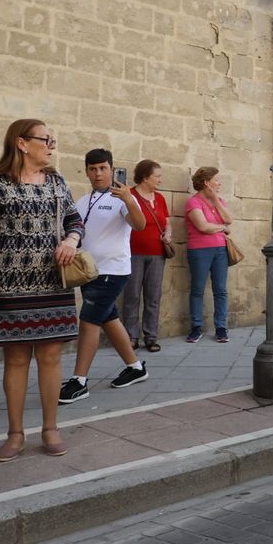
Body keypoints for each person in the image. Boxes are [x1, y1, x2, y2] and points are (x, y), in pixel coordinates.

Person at [0, 119, 83, 461]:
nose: (52, 145)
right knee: (16, 359)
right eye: (46, 139)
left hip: (53, 284)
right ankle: (15, 433)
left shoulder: (56, 181)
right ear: (22, 143)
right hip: (10, 287)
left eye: (54, 139)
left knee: (50, 357)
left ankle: (51, 428)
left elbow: (75, 220)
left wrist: (71, 239)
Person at [59, 149, 149, 405]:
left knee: (88, 321)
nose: (98, 173)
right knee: (108, 318)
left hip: (112, 271)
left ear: (112, 169)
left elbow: (140, 225)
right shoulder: (83, 200)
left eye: (102, 168)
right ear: (86, 171)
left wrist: (130, 199)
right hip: (88, 271)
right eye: (92, 169)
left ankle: (79, 381)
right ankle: (135, 367)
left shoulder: (122, 199)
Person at [121, 159, 171, 353]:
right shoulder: (130, 195)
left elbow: (167, 222)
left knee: (153, 296)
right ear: (144, 177)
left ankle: (151, 336)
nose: (160, 179)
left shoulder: (159, 198)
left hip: (157, 254)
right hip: (132, 253)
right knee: (132, 296)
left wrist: (168, 233)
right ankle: (131, 337)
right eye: (156, 176)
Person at [185, 166, 233, 343]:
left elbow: (229, 219)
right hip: (199, 250)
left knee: (221, 290)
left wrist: (215, 200)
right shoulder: (193, 202)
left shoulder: (219, 200)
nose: (219, 183)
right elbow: (203, 226)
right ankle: (196, 327)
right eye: (216, 180)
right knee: (197, 290)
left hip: (220, 250)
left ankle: (221, 327)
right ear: (207, 183)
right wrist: (222, 228)